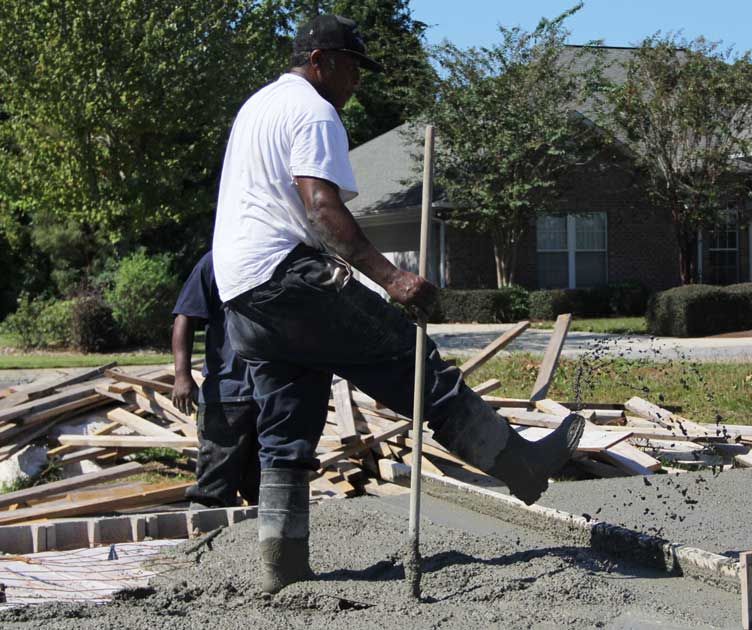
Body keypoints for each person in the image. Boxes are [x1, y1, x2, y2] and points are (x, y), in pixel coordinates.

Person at [212, 14, 584, 594]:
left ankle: (281, 573)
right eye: (353, 66)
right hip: (287, 277)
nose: (357, 79)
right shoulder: (313, 109)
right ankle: (522, 465)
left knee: (286, 430)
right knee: (414, 365)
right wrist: (393, 279)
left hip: (241, 293)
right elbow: (320, 205)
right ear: (321, 61)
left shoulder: (257, 106)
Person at [171, 252, 260, 509]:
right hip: (227, 395)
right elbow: (184, 317)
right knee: (213, 489)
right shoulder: (216, 261)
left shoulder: (278, 253)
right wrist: (182, 375)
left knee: (267, 486)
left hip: (271, 393)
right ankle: (205, 537)